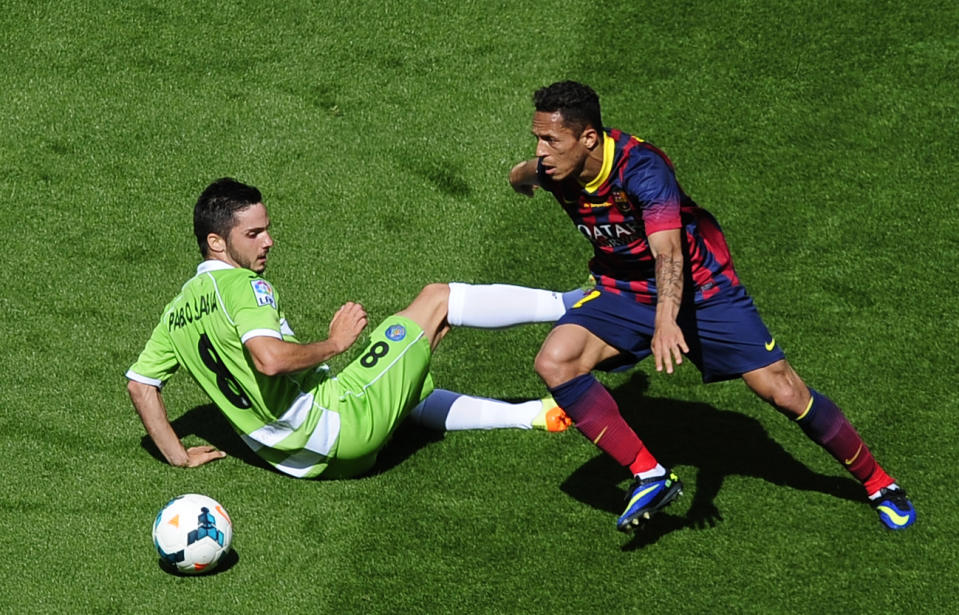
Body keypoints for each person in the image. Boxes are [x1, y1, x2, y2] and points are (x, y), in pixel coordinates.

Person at [508, 81, 915, 532]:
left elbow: (670, 254)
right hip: (624, 290)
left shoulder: (642, 169)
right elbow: (525, 172)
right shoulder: (553, 169)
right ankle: (650, 475)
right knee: (555, 361)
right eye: (537, 139)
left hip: (703, 291)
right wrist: (516, 178)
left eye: (550, 140)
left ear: (588, 139)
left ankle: (879, 483)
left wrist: (666, 322)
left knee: (783, 391)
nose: (541, 151)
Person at [126, 178, 576, 479]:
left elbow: (140, 385)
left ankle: (530, 415)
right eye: (254, 234)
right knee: (436, 301)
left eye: (267, 230)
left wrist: (177, 454)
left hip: (300, 462)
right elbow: (269, 359)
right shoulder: (242, 286)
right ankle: (571, 304)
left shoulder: (176, 312)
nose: (268, 241)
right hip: (342, 426)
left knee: (409, 376)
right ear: (216, 242)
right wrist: (334, 343)